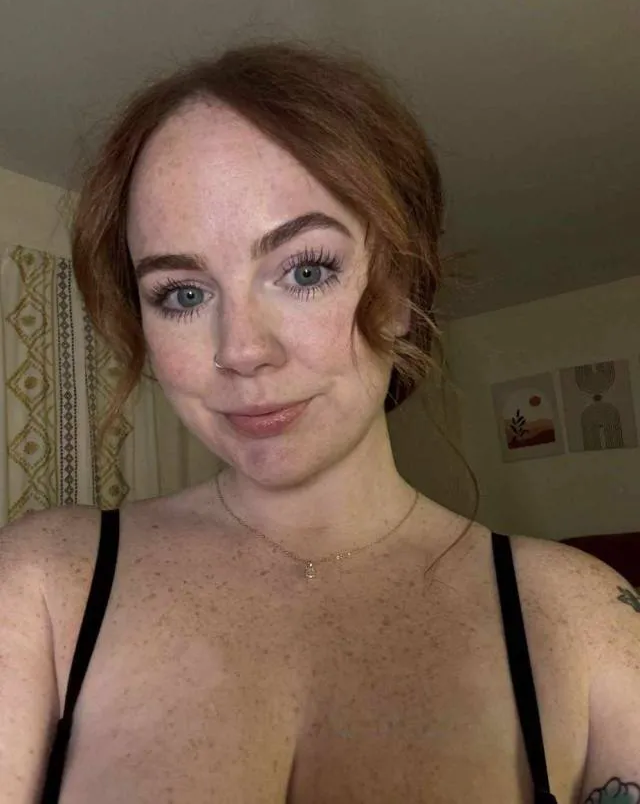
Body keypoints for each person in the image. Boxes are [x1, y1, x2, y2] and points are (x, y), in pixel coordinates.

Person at [1, 42, 639, 804]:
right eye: (182, 294)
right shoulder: (43, 586)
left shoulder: (582, 622)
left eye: (305, 270)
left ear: (399, 294)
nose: (241, 350)